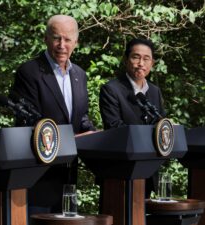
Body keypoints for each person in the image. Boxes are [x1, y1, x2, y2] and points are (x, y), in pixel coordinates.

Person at [10, 15, 95, 215]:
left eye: (67, 39)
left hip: (68, 178)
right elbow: (29, 123)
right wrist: (72, 140)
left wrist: (94, 135)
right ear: (45, 39)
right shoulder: (29, 72)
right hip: (38, 176)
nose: (61, 45)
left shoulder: (80, 75)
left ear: (76, 42)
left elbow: (81, 117)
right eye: (56, 38)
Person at [99, 38, 166, 196]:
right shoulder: (111, 89)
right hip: (120, 171)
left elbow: (161, 126)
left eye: (146, 58)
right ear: (126, 60)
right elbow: (114, 128)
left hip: (148, 171)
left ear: (152, 64)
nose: (141, 63)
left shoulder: (155, 92)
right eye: (136, 57)